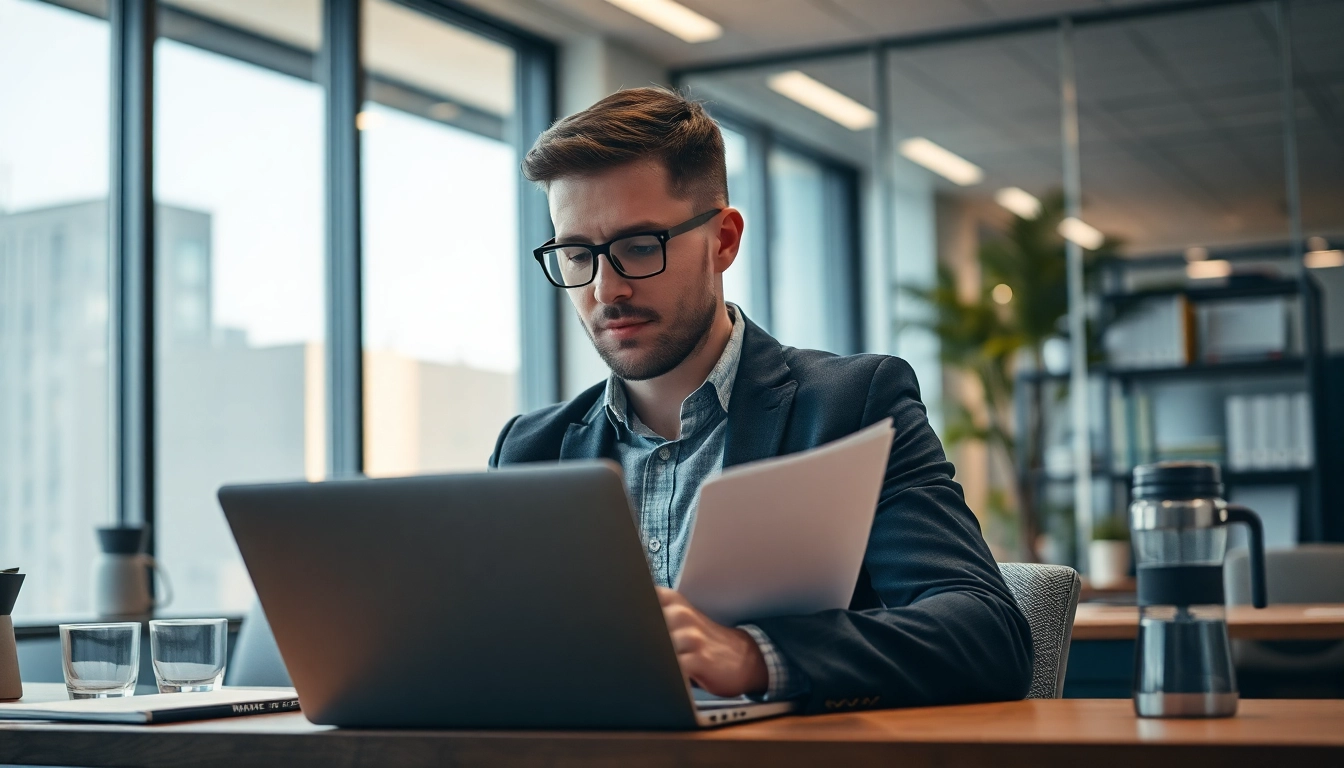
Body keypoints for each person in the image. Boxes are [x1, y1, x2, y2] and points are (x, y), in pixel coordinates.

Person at [489, 86, 1033, 714]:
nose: (606, 290)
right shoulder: (531, 449)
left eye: (641, 247)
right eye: (578, 254)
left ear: (723, 240)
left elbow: (989, 635)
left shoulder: (853, 406)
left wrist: (754, 656)